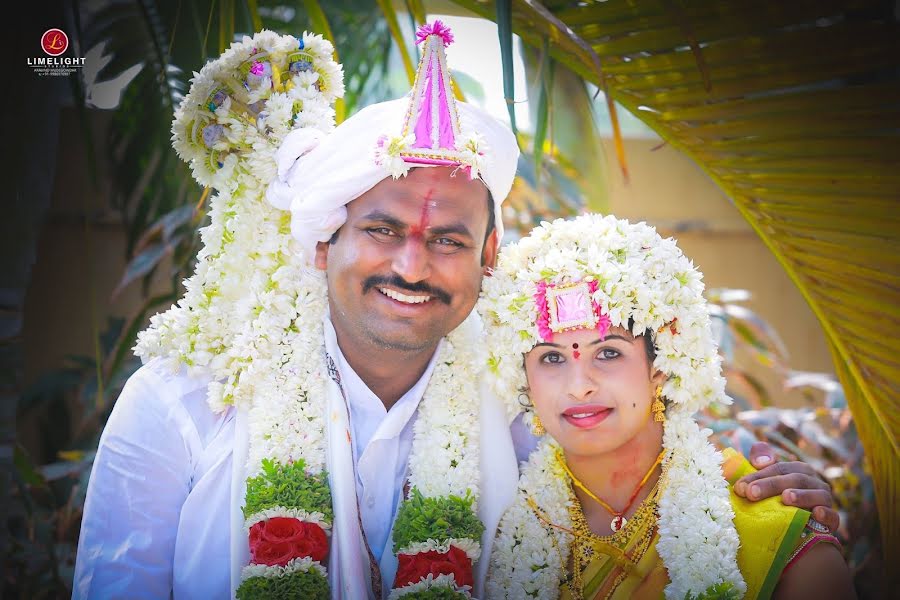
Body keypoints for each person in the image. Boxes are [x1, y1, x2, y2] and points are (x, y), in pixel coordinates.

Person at [73, 24, 838, 600]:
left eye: (447, 239)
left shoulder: (526, 406)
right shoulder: (183, 401)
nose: (411, 266)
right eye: (380, 229)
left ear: (489, 257)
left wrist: (780, 507)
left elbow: (651, 493)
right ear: (320, 244)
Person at [481, 214, 855, 599]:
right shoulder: (488, 527)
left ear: (661, 364)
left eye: (608, 353)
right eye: (552, 358)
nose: (579, 387)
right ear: (523, 376)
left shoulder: (768, 532)